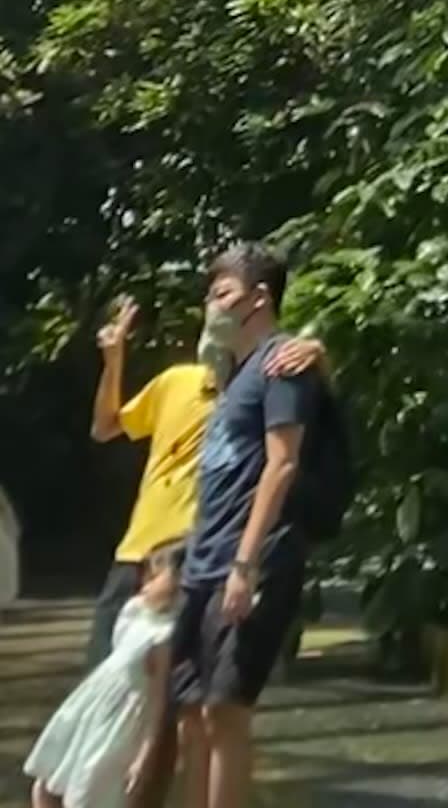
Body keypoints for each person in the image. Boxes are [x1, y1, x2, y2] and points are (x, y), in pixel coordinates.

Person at [150, 247, 348, 808]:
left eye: (223, 295)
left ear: (259, 298)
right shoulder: (235, 376)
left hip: (251, 560)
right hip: (204, 561)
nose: (210, 306)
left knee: (225, 711)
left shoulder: (283, 365)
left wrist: (246, 562)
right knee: (191, 713)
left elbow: (282, 463)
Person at [85, 301, 323, 663]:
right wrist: (113, 361)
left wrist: (315, 353)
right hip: (135, 552)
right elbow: (105, 427)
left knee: (175, 682)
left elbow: (291, 448)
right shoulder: (176, 382)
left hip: (196, 556)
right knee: (101, 676)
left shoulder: (267, 391)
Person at [26, 549, 180, 808]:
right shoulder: (135, 612)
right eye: (146, 579)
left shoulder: (162, 636)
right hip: (90, 707)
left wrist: (144, 756)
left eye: (155, 579)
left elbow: (157, 701)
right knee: (45, 783)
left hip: (120, 720)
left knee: (86, 794)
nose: (145, 586)